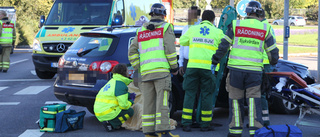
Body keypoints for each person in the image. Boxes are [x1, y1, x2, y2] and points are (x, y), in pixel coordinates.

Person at [211, 1, 279, 137]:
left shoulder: (236, 25)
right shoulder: (264, 28)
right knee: (254, 102)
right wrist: (272, 63)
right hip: (254, 72)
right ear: (259, 12)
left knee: (235, 101)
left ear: (246, 12)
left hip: (235, 71)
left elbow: (224, 45)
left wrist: (215, 60)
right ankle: (255, 132)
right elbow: (273, 53)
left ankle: (235, 131)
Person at [128, 3, 179, 137]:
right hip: (161, 72)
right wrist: (174, 68)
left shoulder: (140, 31)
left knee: (148, 104)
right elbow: (170, 50)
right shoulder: (166, 27)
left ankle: (149, 132)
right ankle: (163, 131)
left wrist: (138, 66)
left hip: (145, 74)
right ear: (163, 15)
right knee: (162, 103)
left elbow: (132, 51)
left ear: (151, 15)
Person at [179, 10, 225, 132]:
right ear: (213, 20)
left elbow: (182, 41)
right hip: (208, 69)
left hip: (192, 66)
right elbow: (225, 46)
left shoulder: (193, 30)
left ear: (202, 19)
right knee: (207, 95)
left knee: (189, 94)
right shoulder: (218, 32)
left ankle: (186, 123)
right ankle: (205, 124)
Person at [93, 63, 135, 132]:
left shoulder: (113, 81)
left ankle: (110, 121)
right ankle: (112, 124)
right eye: (127, 70)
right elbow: (124, 105)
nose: (129, 72)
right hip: (106, 112)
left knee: (123, 107)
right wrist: (131, 101)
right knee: (130, 111)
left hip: (99, 112)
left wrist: (128, 95)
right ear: (124, 72)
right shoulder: (120, 84)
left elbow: (115, 94)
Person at [259, 8, 277, 127]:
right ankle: (262, 120)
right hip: (267, 64)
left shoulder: (261, 26)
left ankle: (263, 121)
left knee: (260, 94)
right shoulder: (268, 26)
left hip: (261, 63)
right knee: (263, 93)